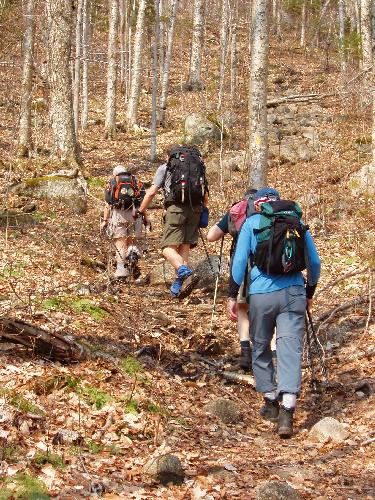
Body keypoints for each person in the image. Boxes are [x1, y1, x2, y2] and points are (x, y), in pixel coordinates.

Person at [228, 187, 321, 438]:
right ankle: (288, 410)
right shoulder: (296, 222)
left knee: (260, 344)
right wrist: (309, 291)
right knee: (289, 347)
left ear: (258, 204)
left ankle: (270, 401)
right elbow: (314, 262)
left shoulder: (251, 223)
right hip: (293, 292)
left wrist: (231, 294)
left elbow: (239, 263)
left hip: (261, 294)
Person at [137, 145, 209, 298]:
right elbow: (205, 195)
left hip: (176, 209)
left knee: (167, 248)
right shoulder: (197, 167)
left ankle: (184, 271)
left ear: (168, 156)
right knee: (184, 247)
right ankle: (179, 287)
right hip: (196, 210)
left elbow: (151, 192)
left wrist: (141, 210)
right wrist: (201, 211)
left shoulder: (166, 168)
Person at [206, 188, 257, 372]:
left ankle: (245, 355)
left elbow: (211, 236)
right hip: (266, 269)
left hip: (241, 267)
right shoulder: (268, 212)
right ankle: (270, 356)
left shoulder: (236, 211)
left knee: (242, 310)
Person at [101, 165, 145, 279]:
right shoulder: (136, 183)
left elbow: (107, 205)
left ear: (115, 174)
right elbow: (142, 203)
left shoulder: (112, 183)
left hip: (119, 214)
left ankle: (121, 270)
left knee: (120, 242)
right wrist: (146, 218)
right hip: (135, 215)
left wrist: (105, 221)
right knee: (131, 240)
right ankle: (131, 255)